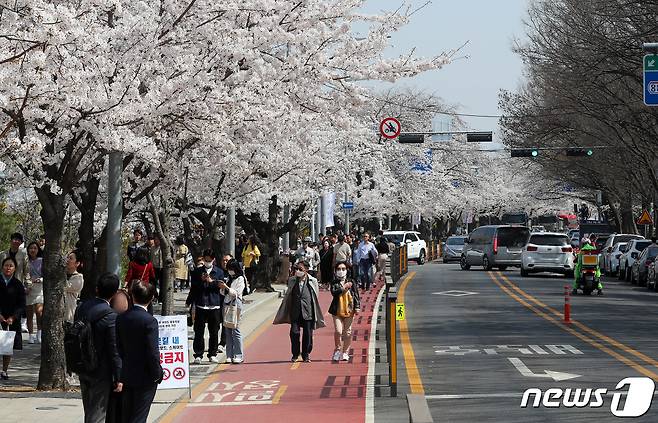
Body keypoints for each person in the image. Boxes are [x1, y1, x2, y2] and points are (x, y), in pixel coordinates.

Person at [74, 273, 122, 423]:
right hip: (101, 371)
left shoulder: (82, 308)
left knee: (88, 410)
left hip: (82, 366)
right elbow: (114, 349)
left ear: (97, 289)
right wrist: (119, 376)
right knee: (97, 415)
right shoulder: (111, 316)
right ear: (114, 294)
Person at [116, 280, 163, 423]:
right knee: (139, 416)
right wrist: (157, 374)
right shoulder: (149, 321)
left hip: (127, 373)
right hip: (146, 375)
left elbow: (119, 347)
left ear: (132, 296)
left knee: (127, 414)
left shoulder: (121, 317)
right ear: (151, 299)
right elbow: (152, 352)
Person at [273, 260, 325, 363]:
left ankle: (306, 354)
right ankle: (295, 354)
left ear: (306, 270)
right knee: (294, 333)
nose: (298, 271)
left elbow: (315, 296)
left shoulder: (312, 281)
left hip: (308, 311)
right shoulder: (292, 280)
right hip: (295, 311)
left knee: (308, 334)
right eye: (296, 269)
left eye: (300, 269)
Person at [186, 249, 224, 364]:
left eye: (209, 259)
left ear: (213, 259)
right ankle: (198, 354)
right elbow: (194, 287)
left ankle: (212, 354)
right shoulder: (197, 272)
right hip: (201, 304)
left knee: (214, 331)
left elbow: (220, 286)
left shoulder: (219, 272)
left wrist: (210, 281)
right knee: (198, 331)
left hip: (214, 305)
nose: (207, 262)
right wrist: (189, 301)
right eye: (206, 259)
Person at [328, 261, 360, 362]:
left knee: (348, 332)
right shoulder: (334, 282)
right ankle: (337, 350)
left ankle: (345, 352)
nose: (341, 271)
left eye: (343, 269)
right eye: (338, 269)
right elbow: (334, 292)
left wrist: (357, 307)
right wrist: (344, 287)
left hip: (349, 310)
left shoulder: (352, 281)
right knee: (338, 331)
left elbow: (356, 295)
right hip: (337, 310)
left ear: (347, 270)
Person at [0, 257, 25, 380]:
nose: (8, 268)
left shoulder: (18, 284)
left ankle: (4, 370)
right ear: (2, 267)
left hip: (10, 319)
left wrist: (13, 317)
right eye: (6, 265)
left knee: (7, 346)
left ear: (15, 269)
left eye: (11, 266)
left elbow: (21, 304)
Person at [219, 259, 245, 364]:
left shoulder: (240, 279)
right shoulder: (229, 278)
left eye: (231, 269)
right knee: (227, 330)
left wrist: (226, 287)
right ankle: (229, 355)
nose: (230, 271)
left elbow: (236, 293)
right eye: (228, 269)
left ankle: (239, 354)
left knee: (236, 329)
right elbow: (222, 293)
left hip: (235, 304)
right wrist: (222, 287)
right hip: (226, 304)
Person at [25, 242, 44, 344]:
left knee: (39, 312)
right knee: (29, 313)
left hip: (39, 288)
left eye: (35, 248)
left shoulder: (42, 261)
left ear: (38, 250)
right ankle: (31, 335)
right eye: (31, 248)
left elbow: (46, 274)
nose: (33, 250)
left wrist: (40, 280)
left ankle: (39, 334)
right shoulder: (25, 261)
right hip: (28, 288)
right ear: (28, 250)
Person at [65, 250, 85, 323]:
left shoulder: (79, 278)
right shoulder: (63, 274)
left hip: (68, 315)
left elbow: (66, 286)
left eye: (70, 258)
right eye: (67, 257)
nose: (67, 260)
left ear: (77, 263)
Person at [149, 236, 163, 302]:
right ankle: (155, 296)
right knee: (153, 283)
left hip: (162, 268)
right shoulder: (152, 248)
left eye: (158, 239)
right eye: (155, 239)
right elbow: (151, 258)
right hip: (154, 267)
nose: (156, 241)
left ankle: (161, 298)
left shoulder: (163, 248)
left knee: (162, 284)